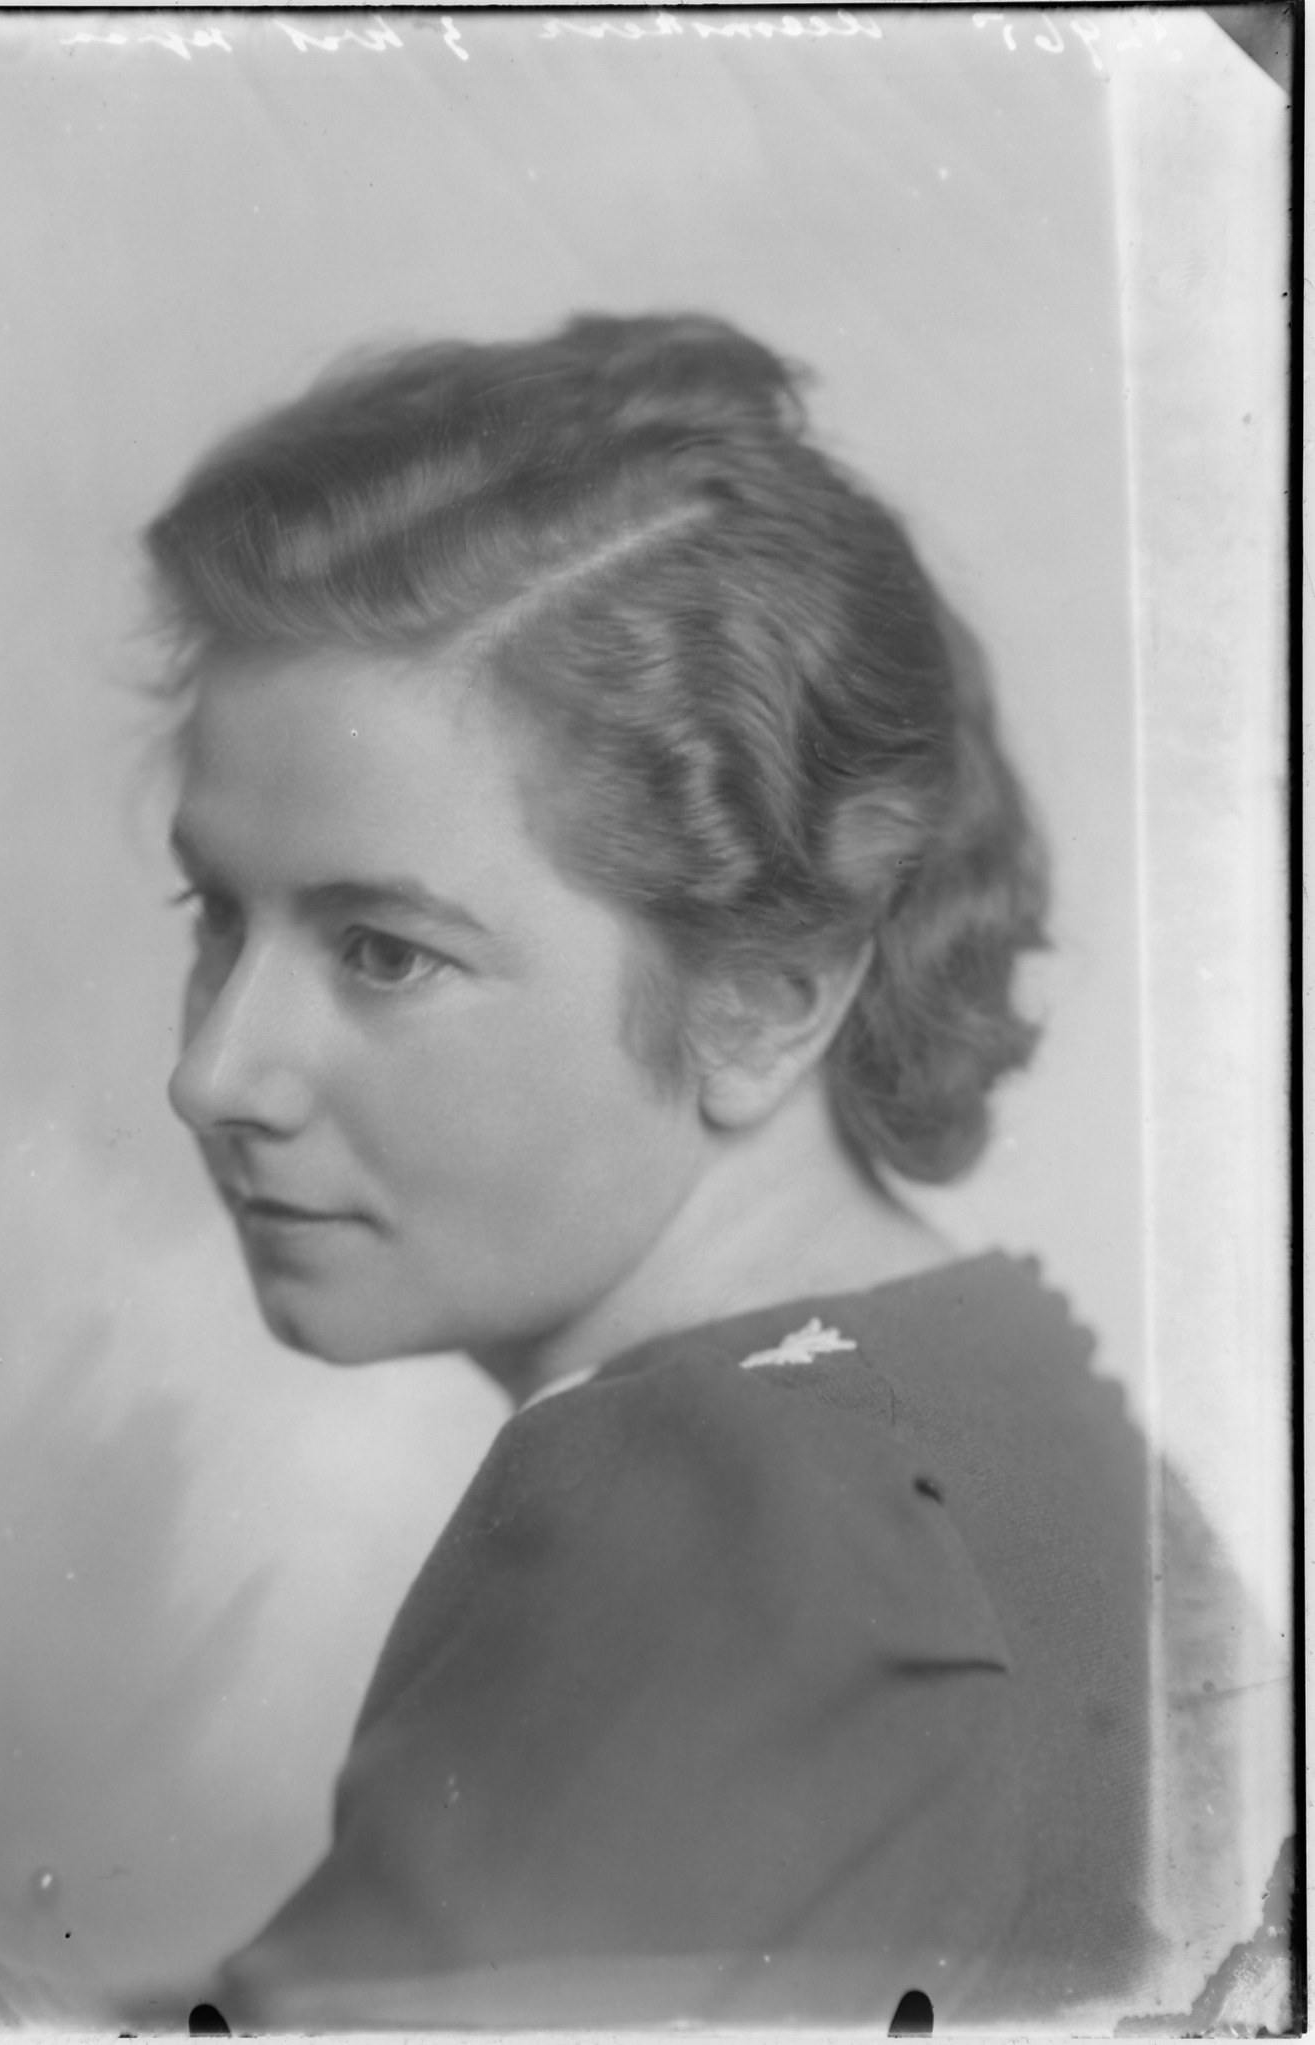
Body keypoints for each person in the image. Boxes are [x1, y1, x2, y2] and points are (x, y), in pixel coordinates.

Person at [139, 314, 1156, 2029]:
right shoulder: (981, 1402)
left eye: (382, 951)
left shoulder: (721, 1514)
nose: (212, 1075)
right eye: (217, 917)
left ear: (766, 998)